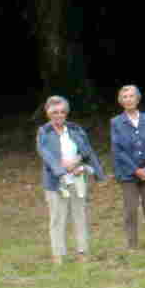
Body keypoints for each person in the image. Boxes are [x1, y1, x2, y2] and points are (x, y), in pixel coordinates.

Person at [36, 95, 103, 264]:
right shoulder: (44, 132)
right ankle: (58, 255)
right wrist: (62, 168)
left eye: (62, 112)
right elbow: (46, 155)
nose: (58, 115)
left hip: (77, 178)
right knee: (58, 218)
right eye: (54, 112)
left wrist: (82, 164)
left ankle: (82, 252)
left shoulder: (75, 129)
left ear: (66, 113)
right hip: (55, 182)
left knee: (79, 216)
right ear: (48, 113)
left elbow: (87, 150)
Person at [108, 85, 145, 249]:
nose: (128, 99)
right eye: (125, 97)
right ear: (120, 101)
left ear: (137, 99)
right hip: (128, 173)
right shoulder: (116, 122)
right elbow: (118, 150)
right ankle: (132, 246)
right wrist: (135, 170)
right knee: (131, 210)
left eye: (132, 96)